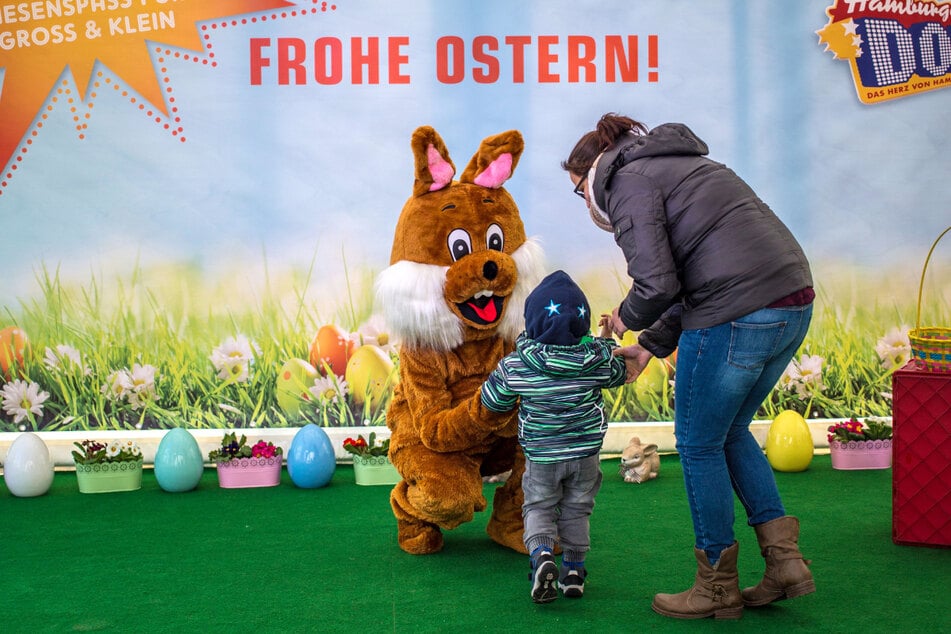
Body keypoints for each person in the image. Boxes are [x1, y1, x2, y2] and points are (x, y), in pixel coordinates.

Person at [562, 113, 816, 620]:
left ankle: (717, 586)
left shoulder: (625, 182)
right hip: (792, 301)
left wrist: (619, 324)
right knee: (731, 431)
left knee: (699, 443)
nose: (586, 204)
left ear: (593, 173)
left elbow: (656, 284)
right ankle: (786, 564)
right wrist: (651, 345)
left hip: (738, 310)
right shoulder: (680, 164)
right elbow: (687, 278)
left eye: (578, 192)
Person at [480, 270, 631, 604]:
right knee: (578, 509)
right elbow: (621, 372)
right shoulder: (596, 360)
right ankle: (574, 572)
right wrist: (605, 340)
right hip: (585, 456)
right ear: (582, 323)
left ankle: (542, 559)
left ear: (533, 323)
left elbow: (491, 400)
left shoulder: (518, 365)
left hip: (543, 457)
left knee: (538, 507)